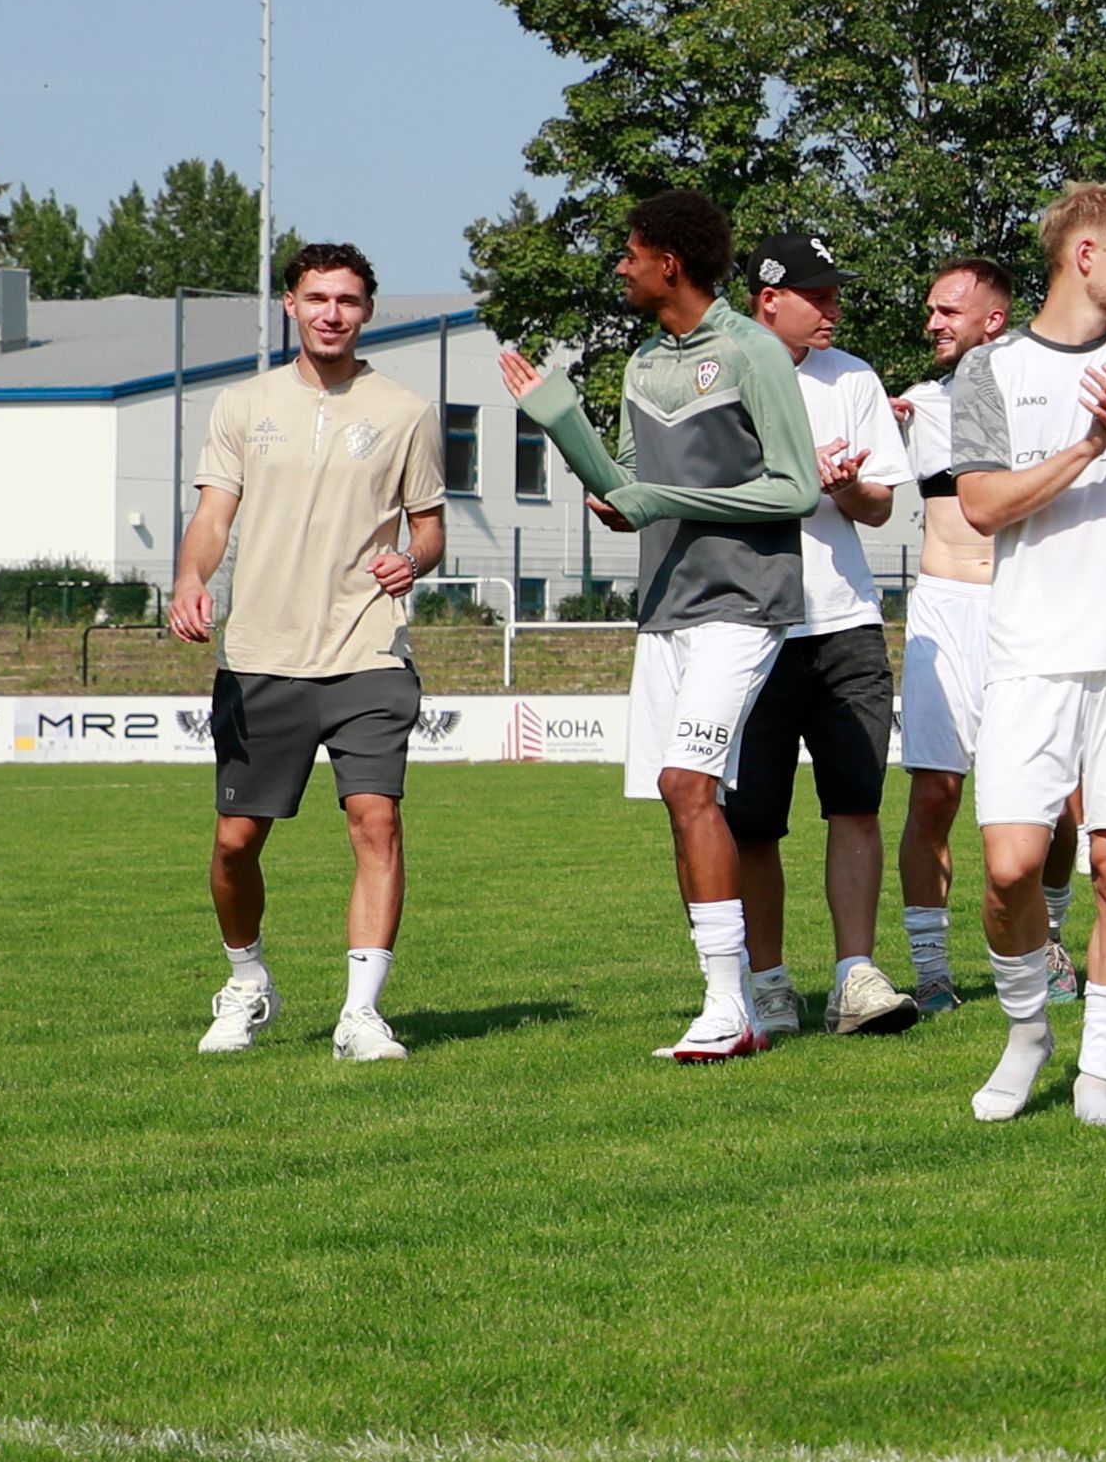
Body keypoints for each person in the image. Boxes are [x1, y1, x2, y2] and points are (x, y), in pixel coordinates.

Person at [505, 189, 824, 1065]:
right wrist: (562, 421)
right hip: (665, 610)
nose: (620, 265)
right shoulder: (644, 363)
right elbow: (624, 493)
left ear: (669, 263)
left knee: (691, 785)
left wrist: (659, 498)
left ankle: (734, 1007)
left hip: (744, 605)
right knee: (682, 804)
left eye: (630, 252)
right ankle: (731, 1003)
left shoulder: (756, 353)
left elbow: (796, 490)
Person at [927, 182, 1106, 1127]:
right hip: (1029, 655)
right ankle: (1026, 1031)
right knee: (1010, 868)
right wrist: (1091, 442)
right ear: (1084, 255)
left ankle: (1099, 1082)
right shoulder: (991, 371)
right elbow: (982, 506)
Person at [169, 242, 447, 1061]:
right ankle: (247, 980)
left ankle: (361, 1015)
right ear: (288, 304)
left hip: (367, 649)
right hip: (260, 653)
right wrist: (190, 578)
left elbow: (428, 524)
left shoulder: (404, 410)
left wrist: (414, 558)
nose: (333, 313)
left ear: (367, 311)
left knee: (377, 821)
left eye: (350, 300)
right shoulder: (240, 404)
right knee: (234, 844)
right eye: (318, 297)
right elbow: (214, 515)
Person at [719, 227, 923, 1037]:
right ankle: (767, 981)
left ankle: (854, 978)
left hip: (847, 623)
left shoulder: (855, 378)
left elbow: (882, 507)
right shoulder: (722, 376)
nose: (835, 308)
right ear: (769, 300)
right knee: (755, 822)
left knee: (857, 805)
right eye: (820, 295)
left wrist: (846, 488)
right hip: (752, 626)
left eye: (837, 293)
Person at [888, 258, 1023, 1010]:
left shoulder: (1037, 402)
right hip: (944, 607)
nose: (932, 324)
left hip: (1025, 611)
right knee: (935, 794)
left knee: (1055, 801)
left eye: (948, 312)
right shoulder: (911, 407)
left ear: (992, 320)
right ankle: (933, 973)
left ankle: (1053, 947)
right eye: (932, 310)